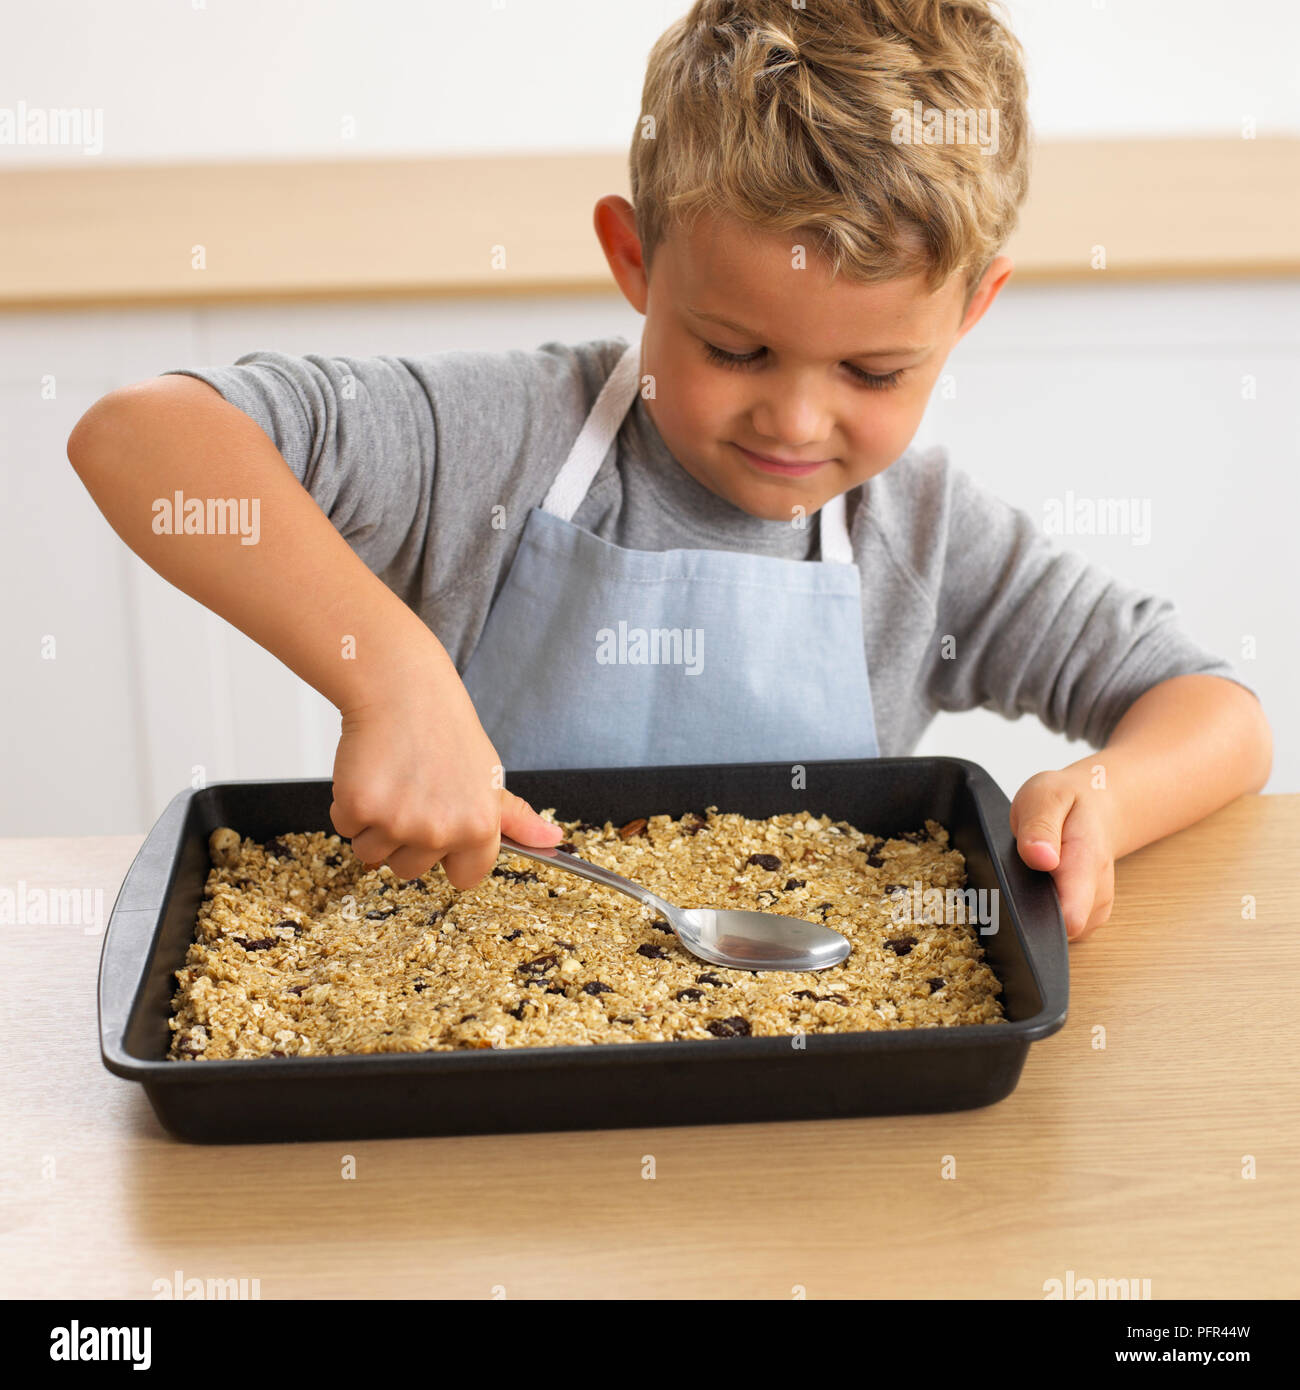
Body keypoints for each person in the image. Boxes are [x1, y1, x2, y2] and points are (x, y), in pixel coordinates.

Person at [67, 0, 1271, 941]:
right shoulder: (500, 441)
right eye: (733, 347)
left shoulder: (928, 535)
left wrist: (1106, 795)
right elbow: (139, 436)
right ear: (634, 258)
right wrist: (390, 676)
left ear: (969, 314)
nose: (796, 418)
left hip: (803, 1073)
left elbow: (1216, 713)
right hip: (473, 1033)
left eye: (873, 371)